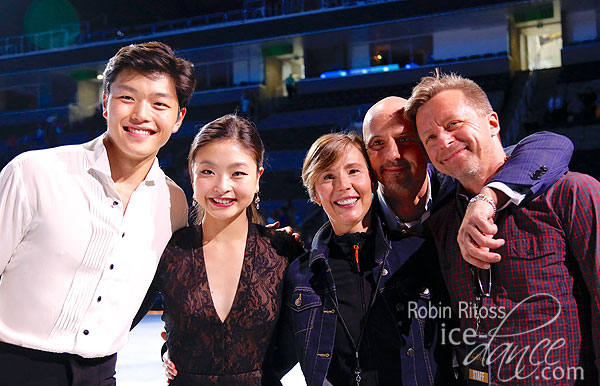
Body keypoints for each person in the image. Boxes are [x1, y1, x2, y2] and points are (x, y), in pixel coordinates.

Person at [0, 41, 194, 385]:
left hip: (101, 374)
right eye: (127, 98)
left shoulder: (174, 204)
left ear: (178, 118)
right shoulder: (33, 173)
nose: (141, 115)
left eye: (159, 104)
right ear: (106, 104)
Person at [405, 72, 600, 384]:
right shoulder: (442, 226)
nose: (443, 140)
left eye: (453, 124)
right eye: (429, 137)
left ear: (493, 123)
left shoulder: (572, 194)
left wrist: (489, 197)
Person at [267, 133, 455, 385]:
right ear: (314, 193)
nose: (343, 185)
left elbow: (461, 342)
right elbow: (271, 364)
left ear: (373, 180)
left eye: (353, 171)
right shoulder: (300, 276)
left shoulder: (419, 253)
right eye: (328, 177)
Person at [135, 114, 303, 385]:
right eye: (208, 171)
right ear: (192, 175)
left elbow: (310, 334)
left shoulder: (283, 252)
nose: (222, 186)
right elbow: (116, 320)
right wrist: (172, 349)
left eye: (237, 173)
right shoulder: (169, 251)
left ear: (257, 177)